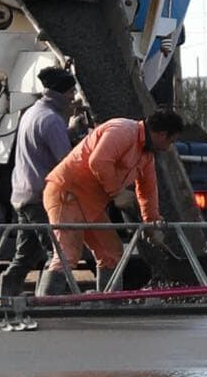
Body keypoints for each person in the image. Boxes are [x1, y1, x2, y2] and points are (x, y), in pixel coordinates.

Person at [40, 106, 177, 288]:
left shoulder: (146, 155)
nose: (169, 148)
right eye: (171, 141)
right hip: (67, 193)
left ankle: (107, 305)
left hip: (90, 202)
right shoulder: (123, 130)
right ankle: (47, 307)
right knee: (67, 255)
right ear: (162, 134)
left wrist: (151, 222)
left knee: (111, 251)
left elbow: (147, 191)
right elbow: (98, 161)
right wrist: (117, 192)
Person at [8, 61, 76, 215]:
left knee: (26, 239)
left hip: (22, 193)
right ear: (58, 94)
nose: (73, 98)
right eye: (70, 92)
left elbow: (40, 144)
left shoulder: (32, 112)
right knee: (51, 239)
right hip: (41, 198)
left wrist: (68, 132)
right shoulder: (52, 120)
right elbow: (67, 162)